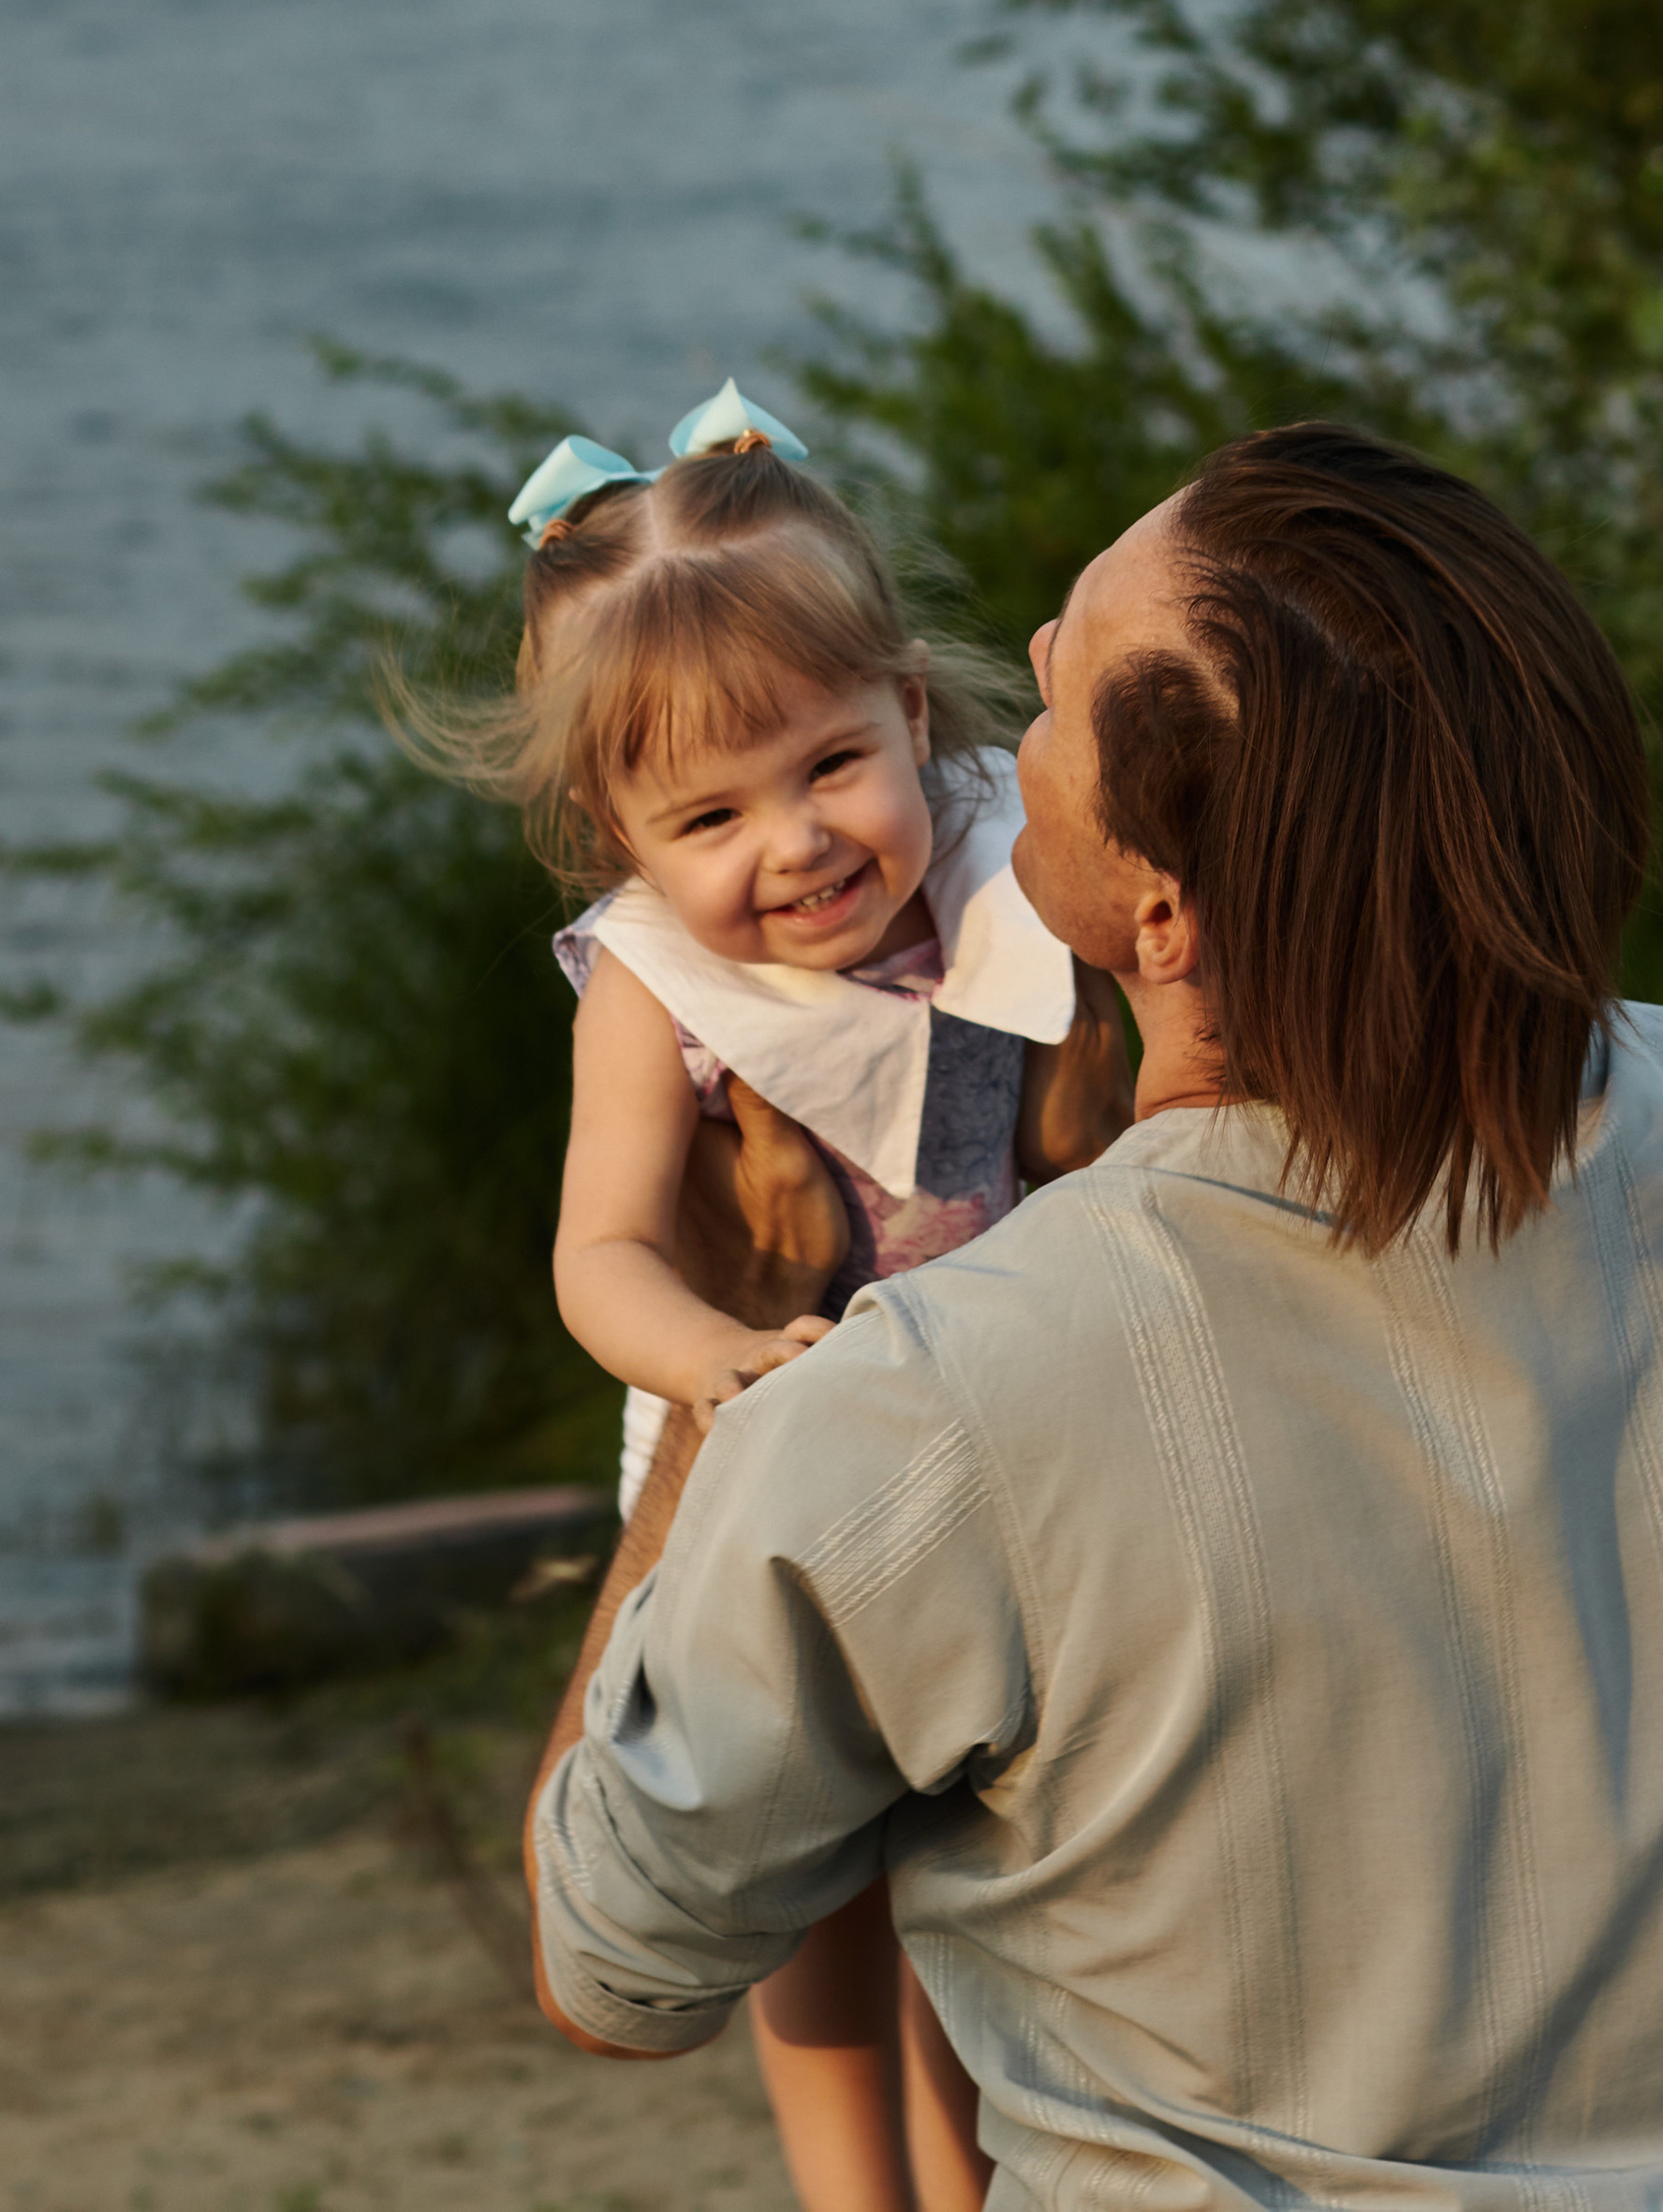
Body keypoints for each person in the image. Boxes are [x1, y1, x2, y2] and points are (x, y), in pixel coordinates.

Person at [528, 419, 1663, 2210]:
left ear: (1163, 911)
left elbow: (612, 1958)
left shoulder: (940, 1405)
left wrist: (726, 1376)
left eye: (1072, 676)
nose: (1022, 664)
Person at [407, 378, 1131, 2212]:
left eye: (826, 766)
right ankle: (846, 2188)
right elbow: (603, 1253)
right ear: (617, 834)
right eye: (709, 815)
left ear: (909, 709)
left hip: (996, 1441)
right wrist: (718, 1359)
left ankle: (970, 2175)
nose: (794, 847)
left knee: (967, 1835)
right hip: (764, 1428)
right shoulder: (657, 988)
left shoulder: (1010, 871)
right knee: (801, 1860)